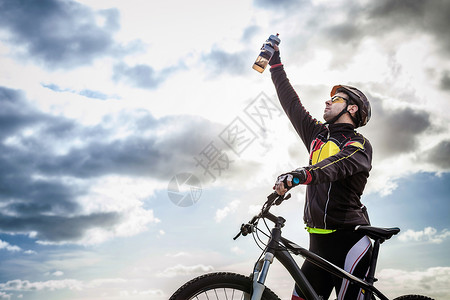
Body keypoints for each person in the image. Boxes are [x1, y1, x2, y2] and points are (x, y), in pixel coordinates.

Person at [269, 45, 373, 300]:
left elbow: (334, 166)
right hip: (317, 245)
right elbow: (291, 104)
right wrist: (275, 65)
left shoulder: (358, 145)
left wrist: (298, 175)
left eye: (336, 99)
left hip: (350, 243)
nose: (327, 101)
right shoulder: (318, 135)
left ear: (352, 109)